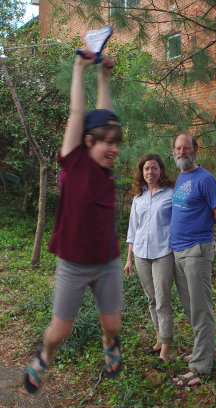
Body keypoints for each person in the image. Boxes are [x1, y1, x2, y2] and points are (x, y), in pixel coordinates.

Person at [24, 49, 123, 394]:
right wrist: (80, 68)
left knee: (113, 324)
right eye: (106, 144)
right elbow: (80, 114)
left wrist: (104, 76)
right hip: (74, 262)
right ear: (87, 142)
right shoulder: (74, 163)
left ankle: (108, 343)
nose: (114, 149)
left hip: (107, 259)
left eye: (117, 144)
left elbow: (105, 117)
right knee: (59, 331)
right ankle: (44, 355)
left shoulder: (106, 168)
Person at [170, 133, 216, 387]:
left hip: (196, 251)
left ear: (196, 150)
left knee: (201, 308)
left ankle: (201, 367)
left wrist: (203, 228)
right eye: (178, 148)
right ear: (173, 151)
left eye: (186, 148)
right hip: (178, 251)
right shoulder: (182, 177)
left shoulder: (205, 179)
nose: (182, 152)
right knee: (191, 307)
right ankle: (204, 350)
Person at [124, 153, 174, 363]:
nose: (150, 172)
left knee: (163, 301)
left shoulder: (171, 194)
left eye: (154, 168)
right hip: (140, 255)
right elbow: (133, 229)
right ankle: (158, 340)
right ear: (141, 172)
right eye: (146, 169)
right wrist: (128, 259)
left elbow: (184, 220)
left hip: (163, 253)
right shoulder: (138, 198)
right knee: (152, 300)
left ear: (160, 170)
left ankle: (165, 350)